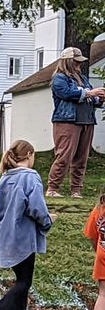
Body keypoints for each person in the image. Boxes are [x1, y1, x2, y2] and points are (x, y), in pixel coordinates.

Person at [0, 140, 53, 310]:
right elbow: (36, 208)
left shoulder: (6, 177)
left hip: (5, 236)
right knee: (24, 281)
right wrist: (48, 221)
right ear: (29, 154)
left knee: (22, 277)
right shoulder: (30, 177)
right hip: (23, 237)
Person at [48, 46, 105, 198]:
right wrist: (90, 93)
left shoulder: (83, 79)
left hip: (87, 121)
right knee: (64, 156)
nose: (79, 65)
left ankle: (76, 190)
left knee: (81, 158)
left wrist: (99, 98)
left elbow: (92, 98)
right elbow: (67, 94)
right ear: (68, 62)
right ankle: (53, 188)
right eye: (76, 62)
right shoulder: (59, 79)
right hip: (67, 122)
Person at [83, 193, 105, 310]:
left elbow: (92, 235)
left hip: (103, 254)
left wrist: (98, 250)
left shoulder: (99, 209)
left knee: (103, 295)